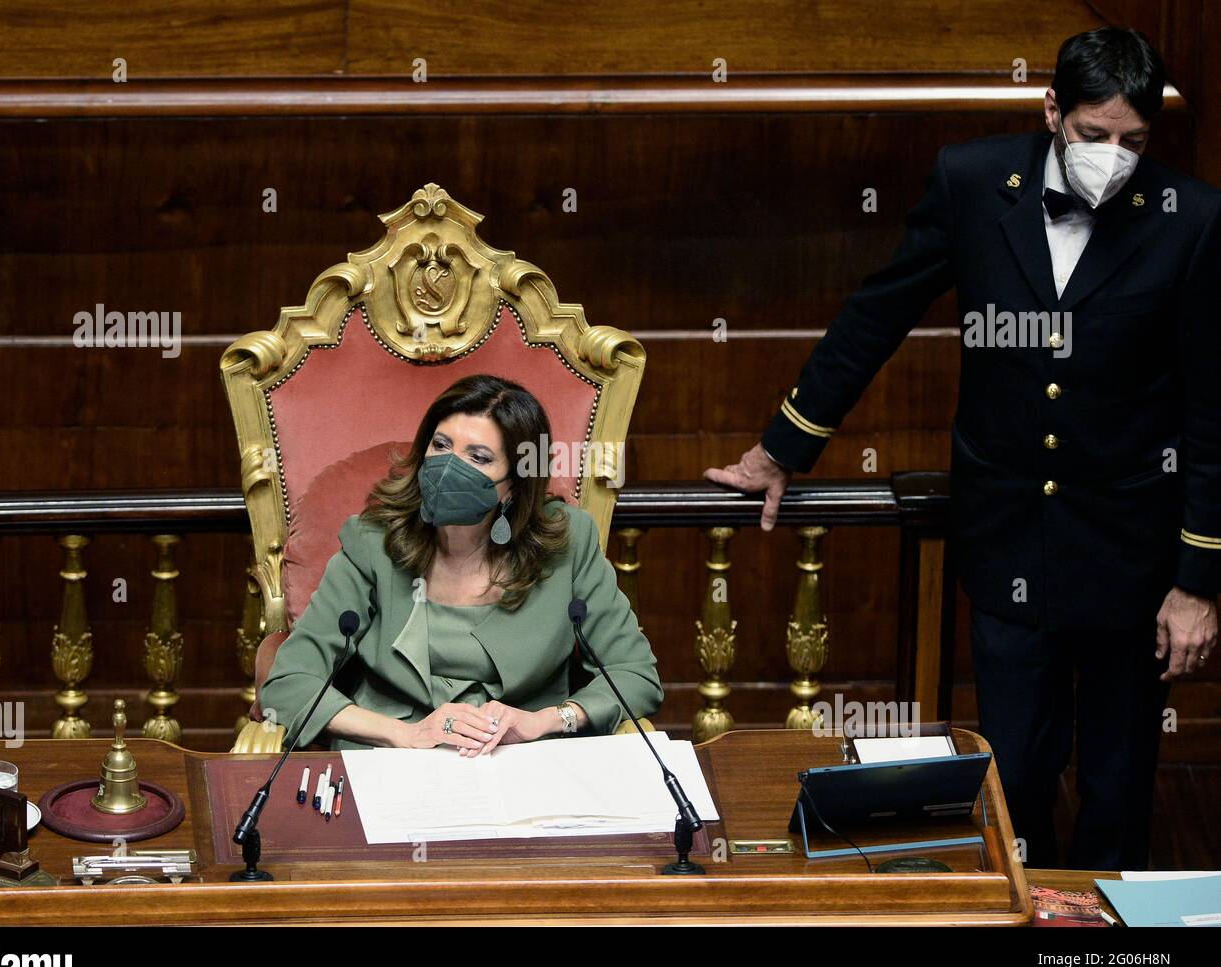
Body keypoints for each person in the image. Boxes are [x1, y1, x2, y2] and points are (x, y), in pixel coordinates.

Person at [706, 27, 1220, 869]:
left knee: (1120, 792)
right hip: (1008, 540)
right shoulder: (974, 181)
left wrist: (1197, 581)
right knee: (1011, 781)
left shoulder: (1191, 221)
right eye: (1094, 136)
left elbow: (1210, 413)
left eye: (1133, 142)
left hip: (1133, 560)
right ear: (1051, 108)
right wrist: (781, 449)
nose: (1113, 158)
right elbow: (879, 313)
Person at [261, 373, 662, 754]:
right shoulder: (372, 541)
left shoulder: (569, 542)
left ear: (514, 485)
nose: (449, 468)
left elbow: (634, 675)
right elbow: (289, 682)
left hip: (524, 761)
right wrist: (405, 734)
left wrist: (544, 721)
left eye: (479, 457)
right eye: (440, 445)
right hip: (390, 758)